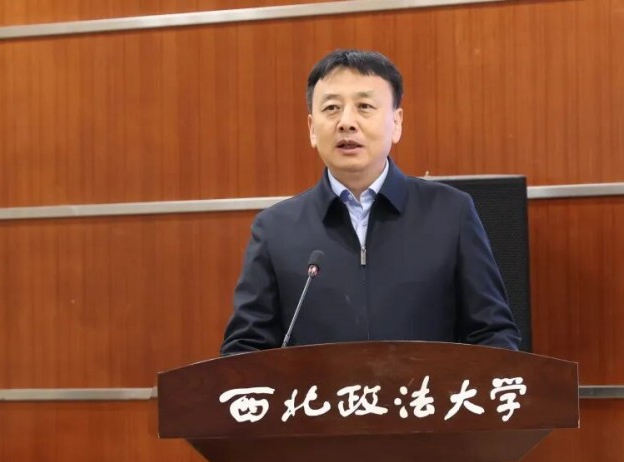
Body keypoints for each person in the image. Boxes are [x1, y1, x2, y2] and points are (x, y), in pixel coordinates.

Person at [220, 49, 520, 354]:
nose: (346, 122)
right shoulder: (275, 230)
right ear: (312, 129)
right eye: (332, 108)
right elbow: (245, 350)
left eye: (364, 106)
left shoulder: (450, 214)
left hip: (428, 387)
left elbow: (492, 334)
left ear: (396, 122)